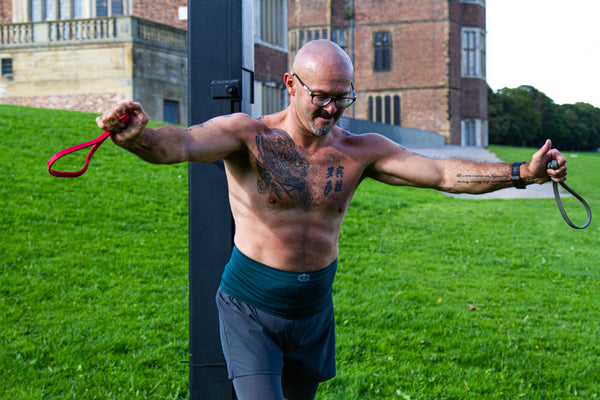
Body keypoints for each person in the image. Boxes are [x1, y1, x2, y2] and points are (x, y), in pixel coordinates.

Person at [96, 39, 567, 400]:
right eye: (320, 96)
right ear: (289, 84)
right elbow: (180, 144)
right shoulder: (247, 135)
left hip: (313, 311)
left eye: (343, 98)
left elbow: (442, 172)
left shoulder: (362, 151)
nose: (332, 108)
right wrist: (139, 137)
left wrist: (522, 174)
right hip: (249, 308)